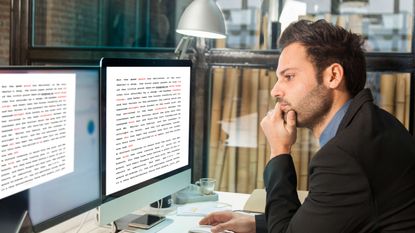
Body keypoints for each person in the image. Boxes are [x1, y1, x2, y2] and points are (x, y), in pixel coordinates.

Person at [199, 19, 415, 232]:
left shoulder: (345, 157)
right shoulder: (372, 122)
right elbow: (331, 215)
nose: (275, 91)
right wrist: (257, 223)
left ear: (333, 76)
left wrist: (279, 152)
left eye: (289, 77)